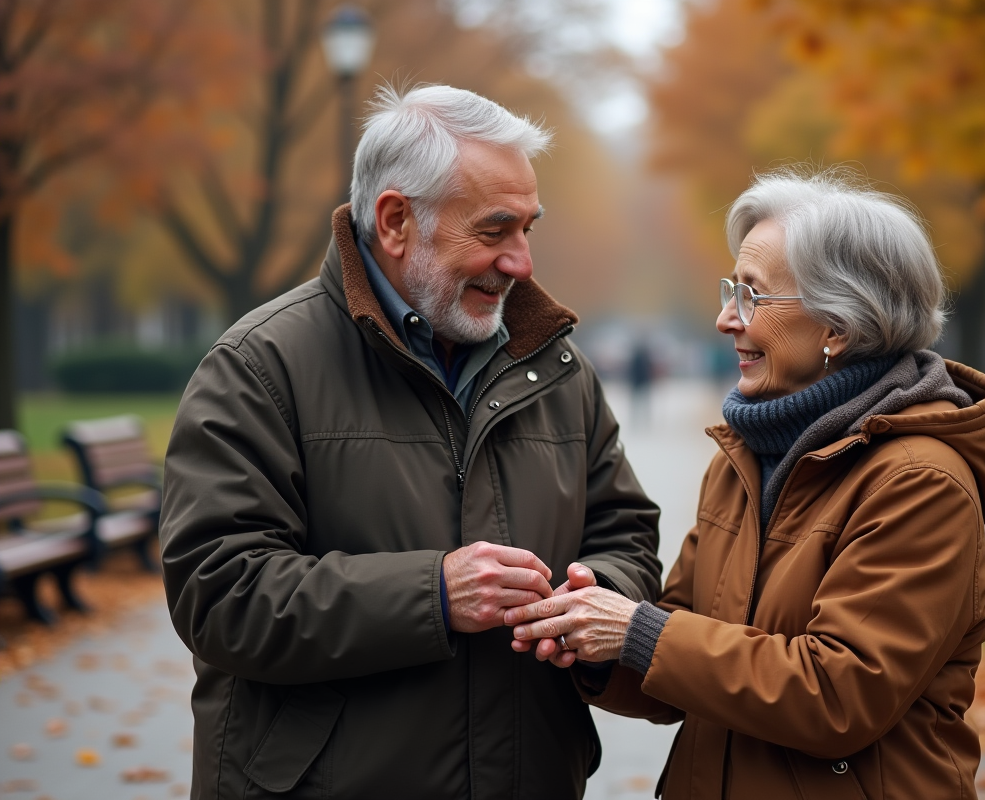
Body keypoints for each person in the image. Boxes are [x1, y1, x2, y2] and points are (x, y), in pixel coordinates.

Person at [159, 84, 661, 800]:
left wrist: (595, 596)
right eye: (494, 231)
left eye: (528, 228)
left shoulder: (556, 368)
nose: (521, 261)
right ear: (395, 222)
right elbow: (220, 592)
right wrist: (431, 593)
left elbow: (627, 532)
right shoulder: (260, 366)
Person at [506, 167, 985, 799]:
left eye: (752, 296)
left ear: (838, 327)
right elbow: (681, 643)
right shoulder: (744, 455)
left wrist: (636, 632)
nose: (725, 319)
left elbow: (839, 696)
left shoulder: (919, 481)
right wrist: (590, 641)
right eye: (729, 290)